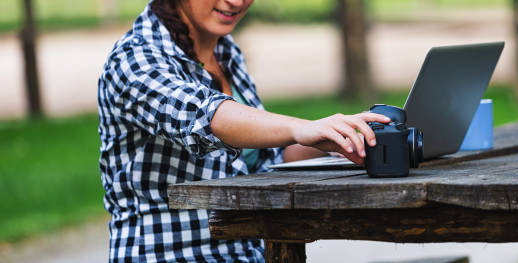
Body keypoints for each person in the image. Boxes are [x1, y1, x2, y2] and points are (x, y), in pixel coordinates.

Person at [97, 0, 389, 262]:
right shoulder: (133, 59)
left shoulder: (226, 52)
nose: (236, 2)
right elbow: (205, 117)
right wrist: (301, 127)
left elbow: (266, 159)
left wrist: (337, 136)